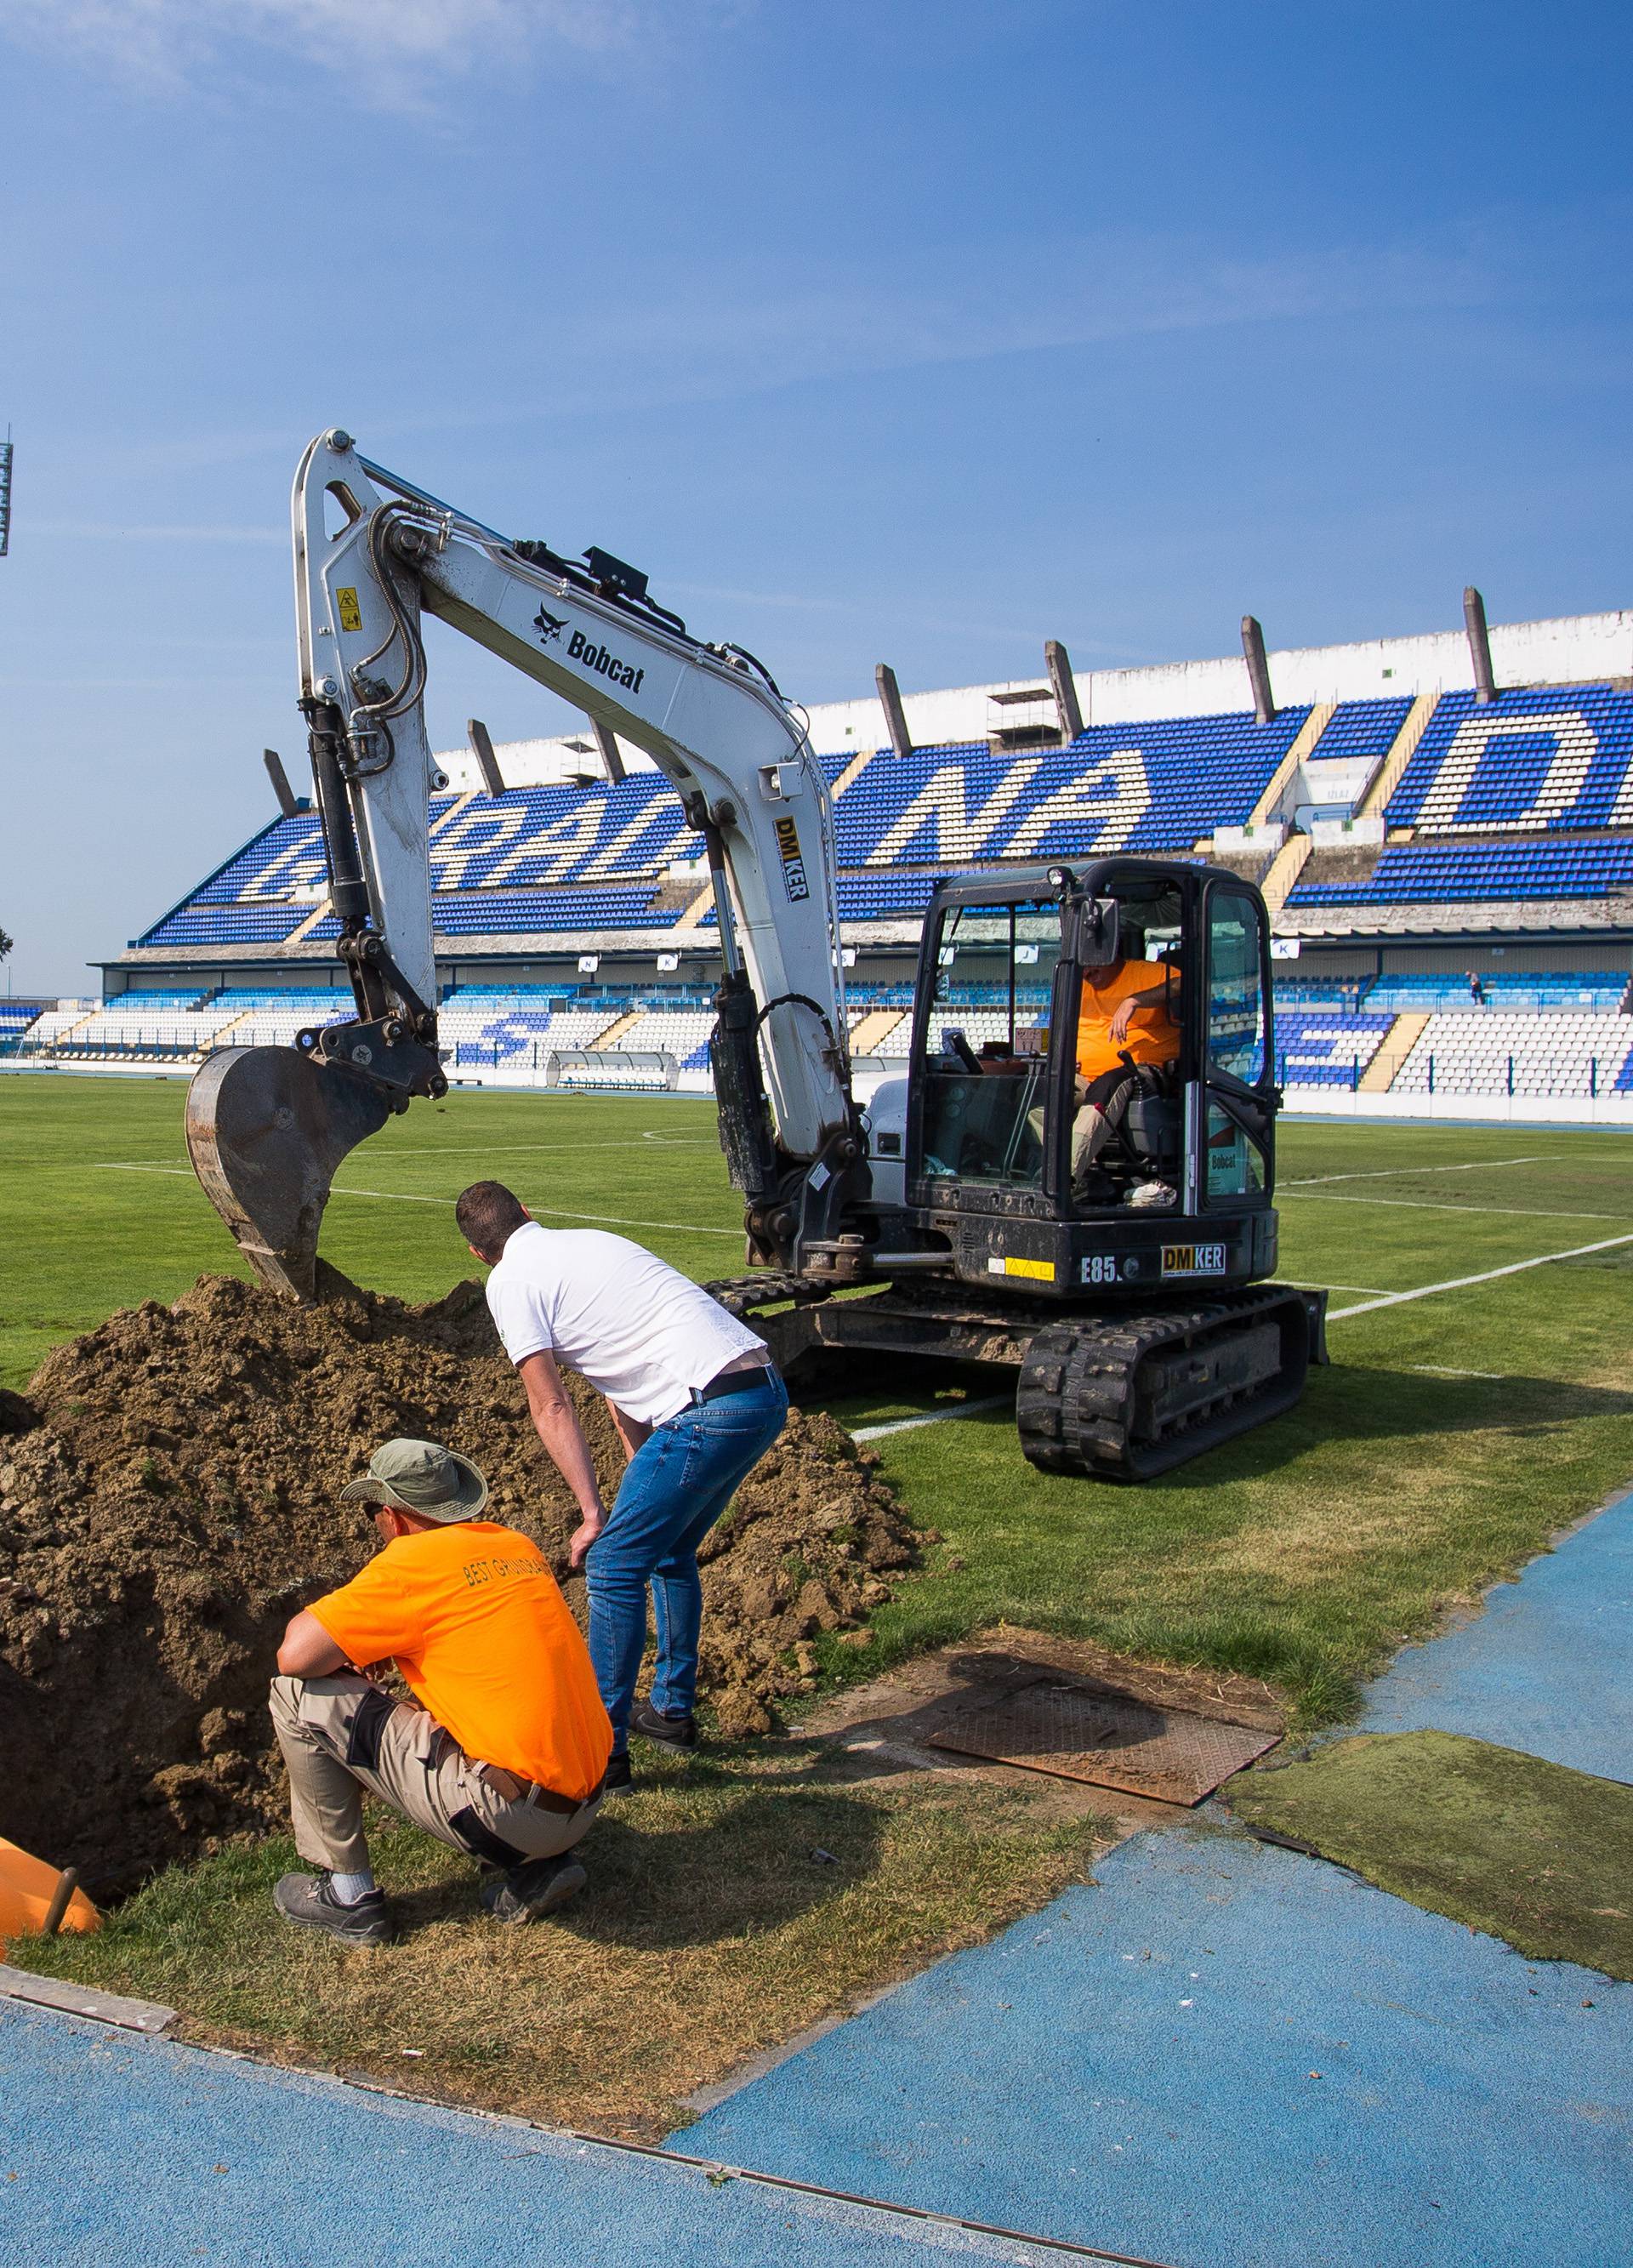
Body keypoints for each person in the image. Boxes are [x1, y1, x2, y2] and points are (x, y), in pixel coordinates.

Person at [455, 1180, 788, 1789]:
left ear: (478, 1254)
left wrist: (591, 1513)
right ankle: (670, 1711)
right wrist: (642, 1476)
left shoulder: (508, 1283)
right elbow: (621, 1391)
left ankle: (602, 1752)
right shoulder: (591, 1244)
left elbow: (550, 1405)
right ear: (530, 1213)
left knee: (611, 1564)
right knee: (668, 1550)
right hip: (761, 1392)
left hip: (707, 1410)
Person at [270, 1436, 612, 1946]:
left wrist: (353, 1658)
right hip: (583, 1804)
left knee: (294, 1695)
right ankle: (537, 1868)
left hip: (512, 1819)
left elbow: (294, 1655)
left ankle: (349, 1896)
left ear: (394, 1515)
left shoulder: (409, 1565)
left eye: (372, 1513)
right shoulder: (515, 1547)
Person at [1067, 951, 1181, 1190]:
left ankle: (1065, 1181)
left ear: (1106, 948)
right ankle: (1036, 1172)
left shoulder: (1148, 974)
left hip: (1141, 1071)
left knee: (1110, 1082)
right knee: (1040, 1090)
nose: (1086, 973)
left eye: (1091, 963)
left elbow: (1185, 984)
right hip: (1084, 1075)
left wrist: (1133, 1001)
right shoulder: (1077, 986)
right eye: (1082, 967)